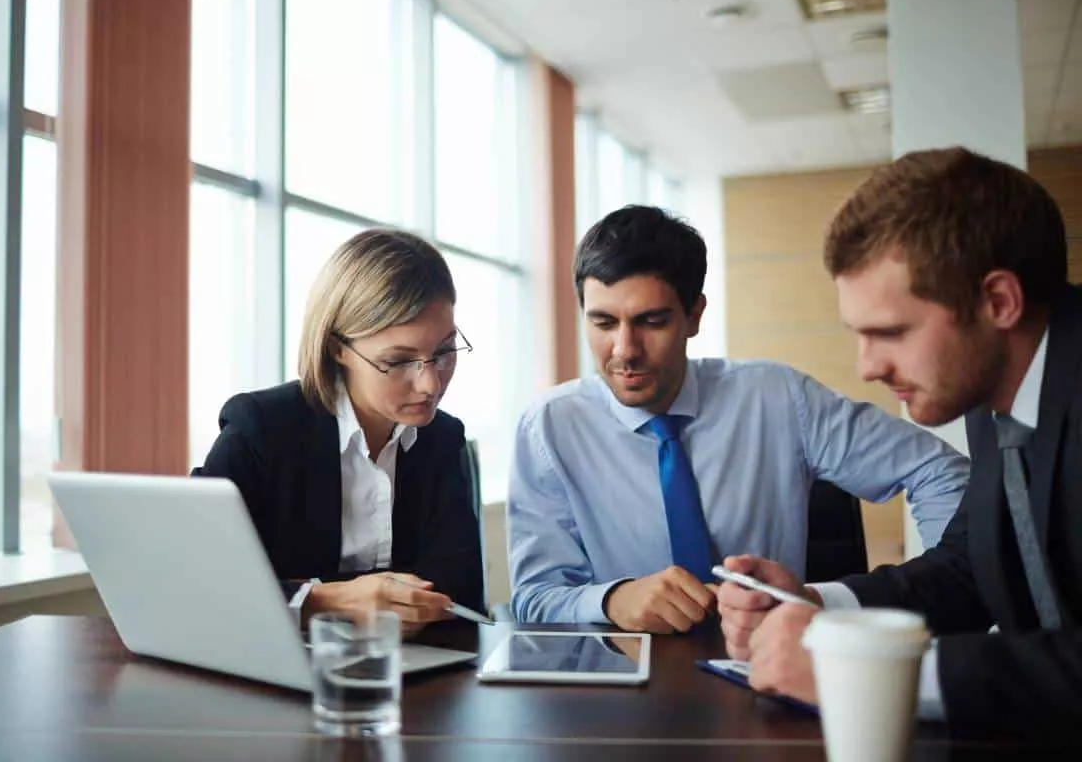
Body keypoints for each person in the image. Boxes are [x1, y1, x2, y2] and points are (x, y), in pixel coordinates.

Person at [717, 147, 1082, 741]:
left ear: (998, 303)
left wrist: (870, 672)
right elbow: (972, 568)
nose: (866, 367)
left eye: (890, 332)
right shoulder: (995, 396)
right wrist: (816, 605)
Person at [507, 205, 969, 630]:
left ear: (694, 315)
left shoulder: (778, 397)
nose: (625, 351)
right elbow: (533, 597)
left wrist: (948, 591)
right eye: (604, 323)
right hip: (625, 681)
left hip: (769, 663)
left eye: (651, 321)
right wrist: (612, 601)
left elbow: (939, 470)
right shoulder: (548, 428)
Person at [193, 229, 484, 636]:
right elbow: (196, 581)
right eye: (398, 361)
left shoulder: (442, 438)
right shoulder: (261, 429)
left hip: (413, 676)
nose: (430, 384)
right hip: (274, 675)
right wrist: (324, 602)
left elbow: (464, 594)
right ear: (337, 348)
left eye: (444, 353)